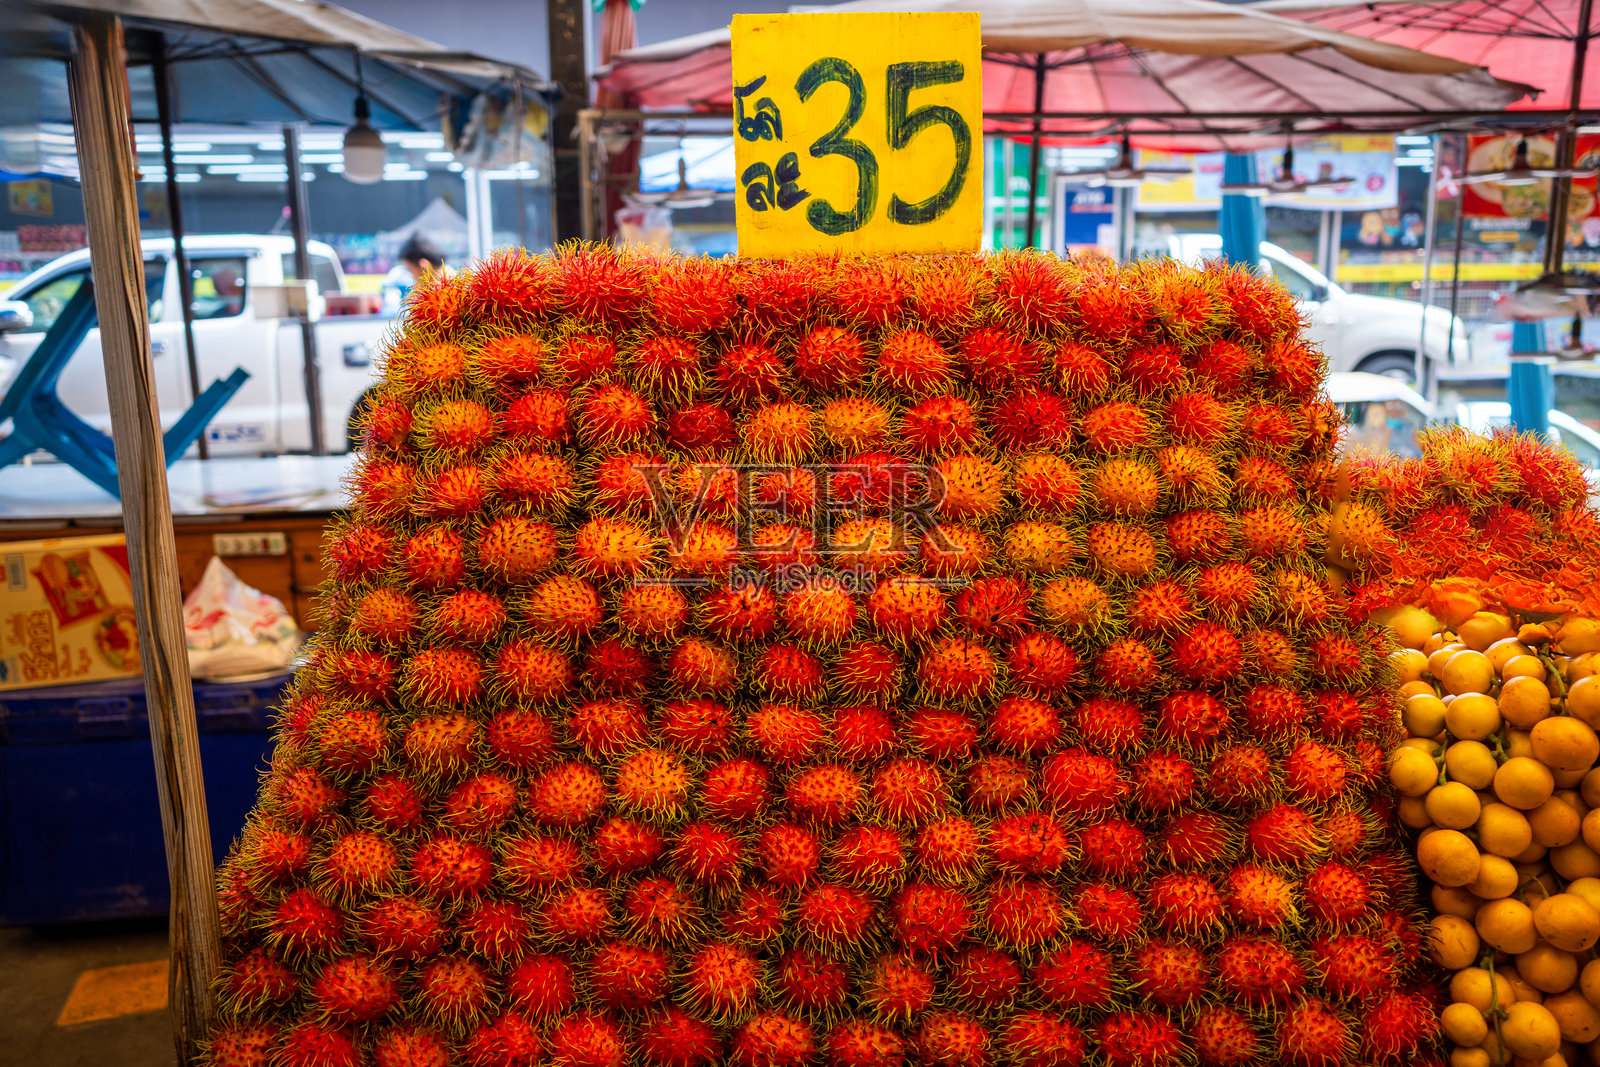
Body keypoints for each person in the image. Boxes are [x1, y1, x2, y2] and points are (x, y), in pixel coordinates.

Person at [382, 233, 445, 314]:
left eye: (410, 271)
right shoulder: (435, 293)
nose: (412, 277)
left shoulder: (445, 294)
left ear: (424, 265)